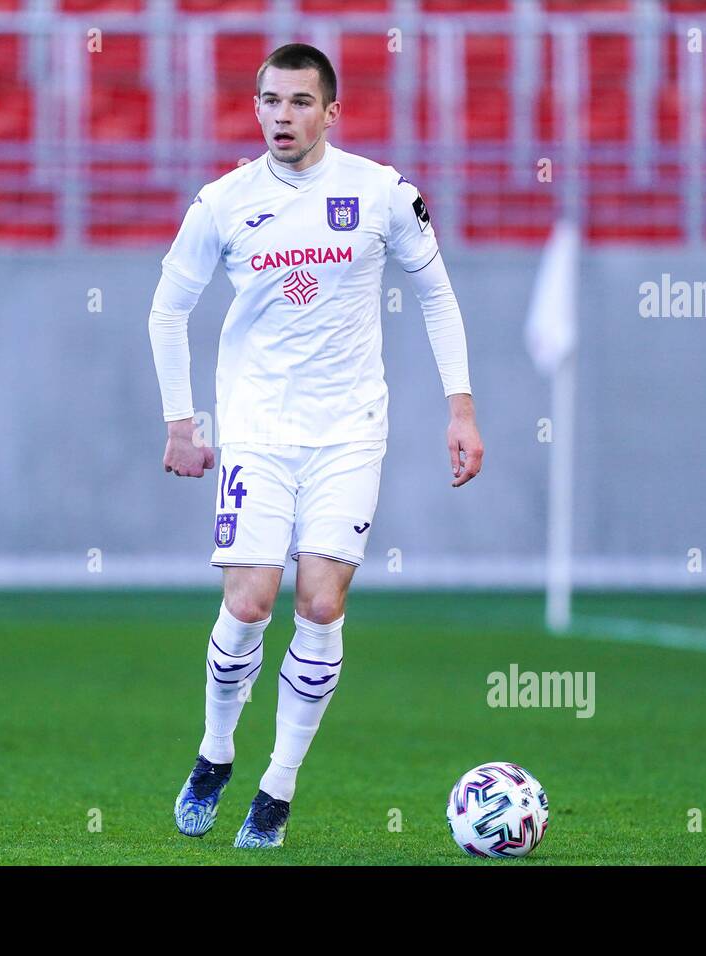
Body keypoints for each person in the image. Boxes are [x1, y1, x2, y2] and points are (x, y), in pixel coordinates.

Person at [147, 43, 482, 848]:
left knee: (322, 603)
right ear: (254, 106)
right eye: (269, 101)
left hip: (349, 430)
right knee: (249, 601)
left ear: (332, 112)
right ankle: (217, 752)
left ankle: (278, 787)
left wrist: (461, 411)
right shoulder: (223, 203)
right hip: (257, 429)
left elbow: (435, 292)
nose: (281, 117)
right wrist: (180, 420)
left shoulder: (380, 194)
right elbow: (167, 311)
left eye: (300, 102)